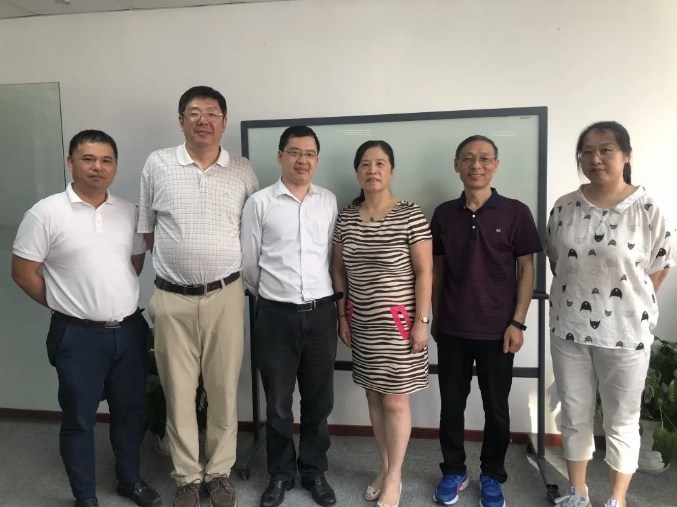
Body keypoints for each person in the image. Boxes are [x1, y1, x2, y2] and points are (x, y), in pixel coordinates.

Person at [11, 130, 161, 507]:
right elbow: (23, 273)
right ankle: (85, 496)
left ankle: (130, 480)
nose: (98, 167)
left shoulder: (128, 212)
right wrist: (65, 303)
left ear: (115, 166)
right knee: (79, 418)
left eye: (106, 160)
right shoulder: (45, 213)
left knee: (131, 412)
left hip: (129, 331)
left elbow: (134, 264)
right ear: (71, 163)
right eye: (88, 158)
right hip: (77, 336)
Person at [137, 86, 259, 507]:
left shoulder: (242, 170)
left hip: (226, 295)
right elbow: (148, 230)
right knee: (178, 390)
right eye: (193, 112)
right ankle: (187, 476)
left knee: (223, 389)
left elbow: (250, 232)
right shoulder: (158, 164)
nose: (203, 120)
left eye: (212, 113)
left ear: (224, 122)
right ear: (181, 121)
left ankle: (219, 472)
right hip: (172, 298)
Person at [545, 121, 674, 507]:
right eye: (587, 151)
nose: (595, 158)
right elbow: (558, 262)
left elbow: (659, 268)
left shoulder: (647, 208)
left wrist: (627, 307)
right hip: (569, 329)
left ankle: (617, 498)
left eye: (606, 150)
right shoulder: (564, 206)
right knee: (575, 415)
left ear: (626, 155)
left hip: (626, 333)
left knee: (621, 419)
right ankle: (578, 492)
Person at [430, 135, 542, 507]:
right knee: (451, 406)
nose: (476, 165)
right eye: (468, 158)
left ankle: (492, 475)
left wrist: (518, 322)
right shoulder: (444, 214)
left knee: (496, 408)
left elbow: (527, 270)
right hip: (453, 328)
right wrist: (435, 316)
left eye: (484, 158)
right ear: (456, 165)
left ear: (495, 164)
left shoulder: (516, 212)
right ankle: (453, 470)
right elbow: (438, 271)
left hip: (499, 330)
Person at [241, 125, 339, 507]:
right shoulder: (259, 203)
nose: (303, 160)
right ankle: (281, 474)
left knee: (319, 401)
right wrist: (274, 296)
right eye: (295, 152)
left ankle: (313, 471)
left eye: (310, 153)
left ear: (317, 159)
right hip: (275, 315)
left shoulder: (328, 201)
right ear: (281, 156)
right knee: (278, 404)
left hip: (320, 314)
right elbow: (250, 265)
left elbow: (332, 257)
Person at [332, 140, 433, 507]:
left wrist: (422, 321)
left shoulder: (410, 214)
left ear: (391, 170)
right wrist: (342, 316)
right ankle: (385, 465)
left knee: (395, 402)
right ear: (357, 171)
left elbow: (425, 272)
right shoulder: (346, 217)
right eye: (365, 164)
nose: (372, 170)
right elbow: (338, 271)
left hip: (400, 325)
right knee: (373, 396)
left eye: (380, 163)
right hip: (362, 323)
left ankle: (395, 477)